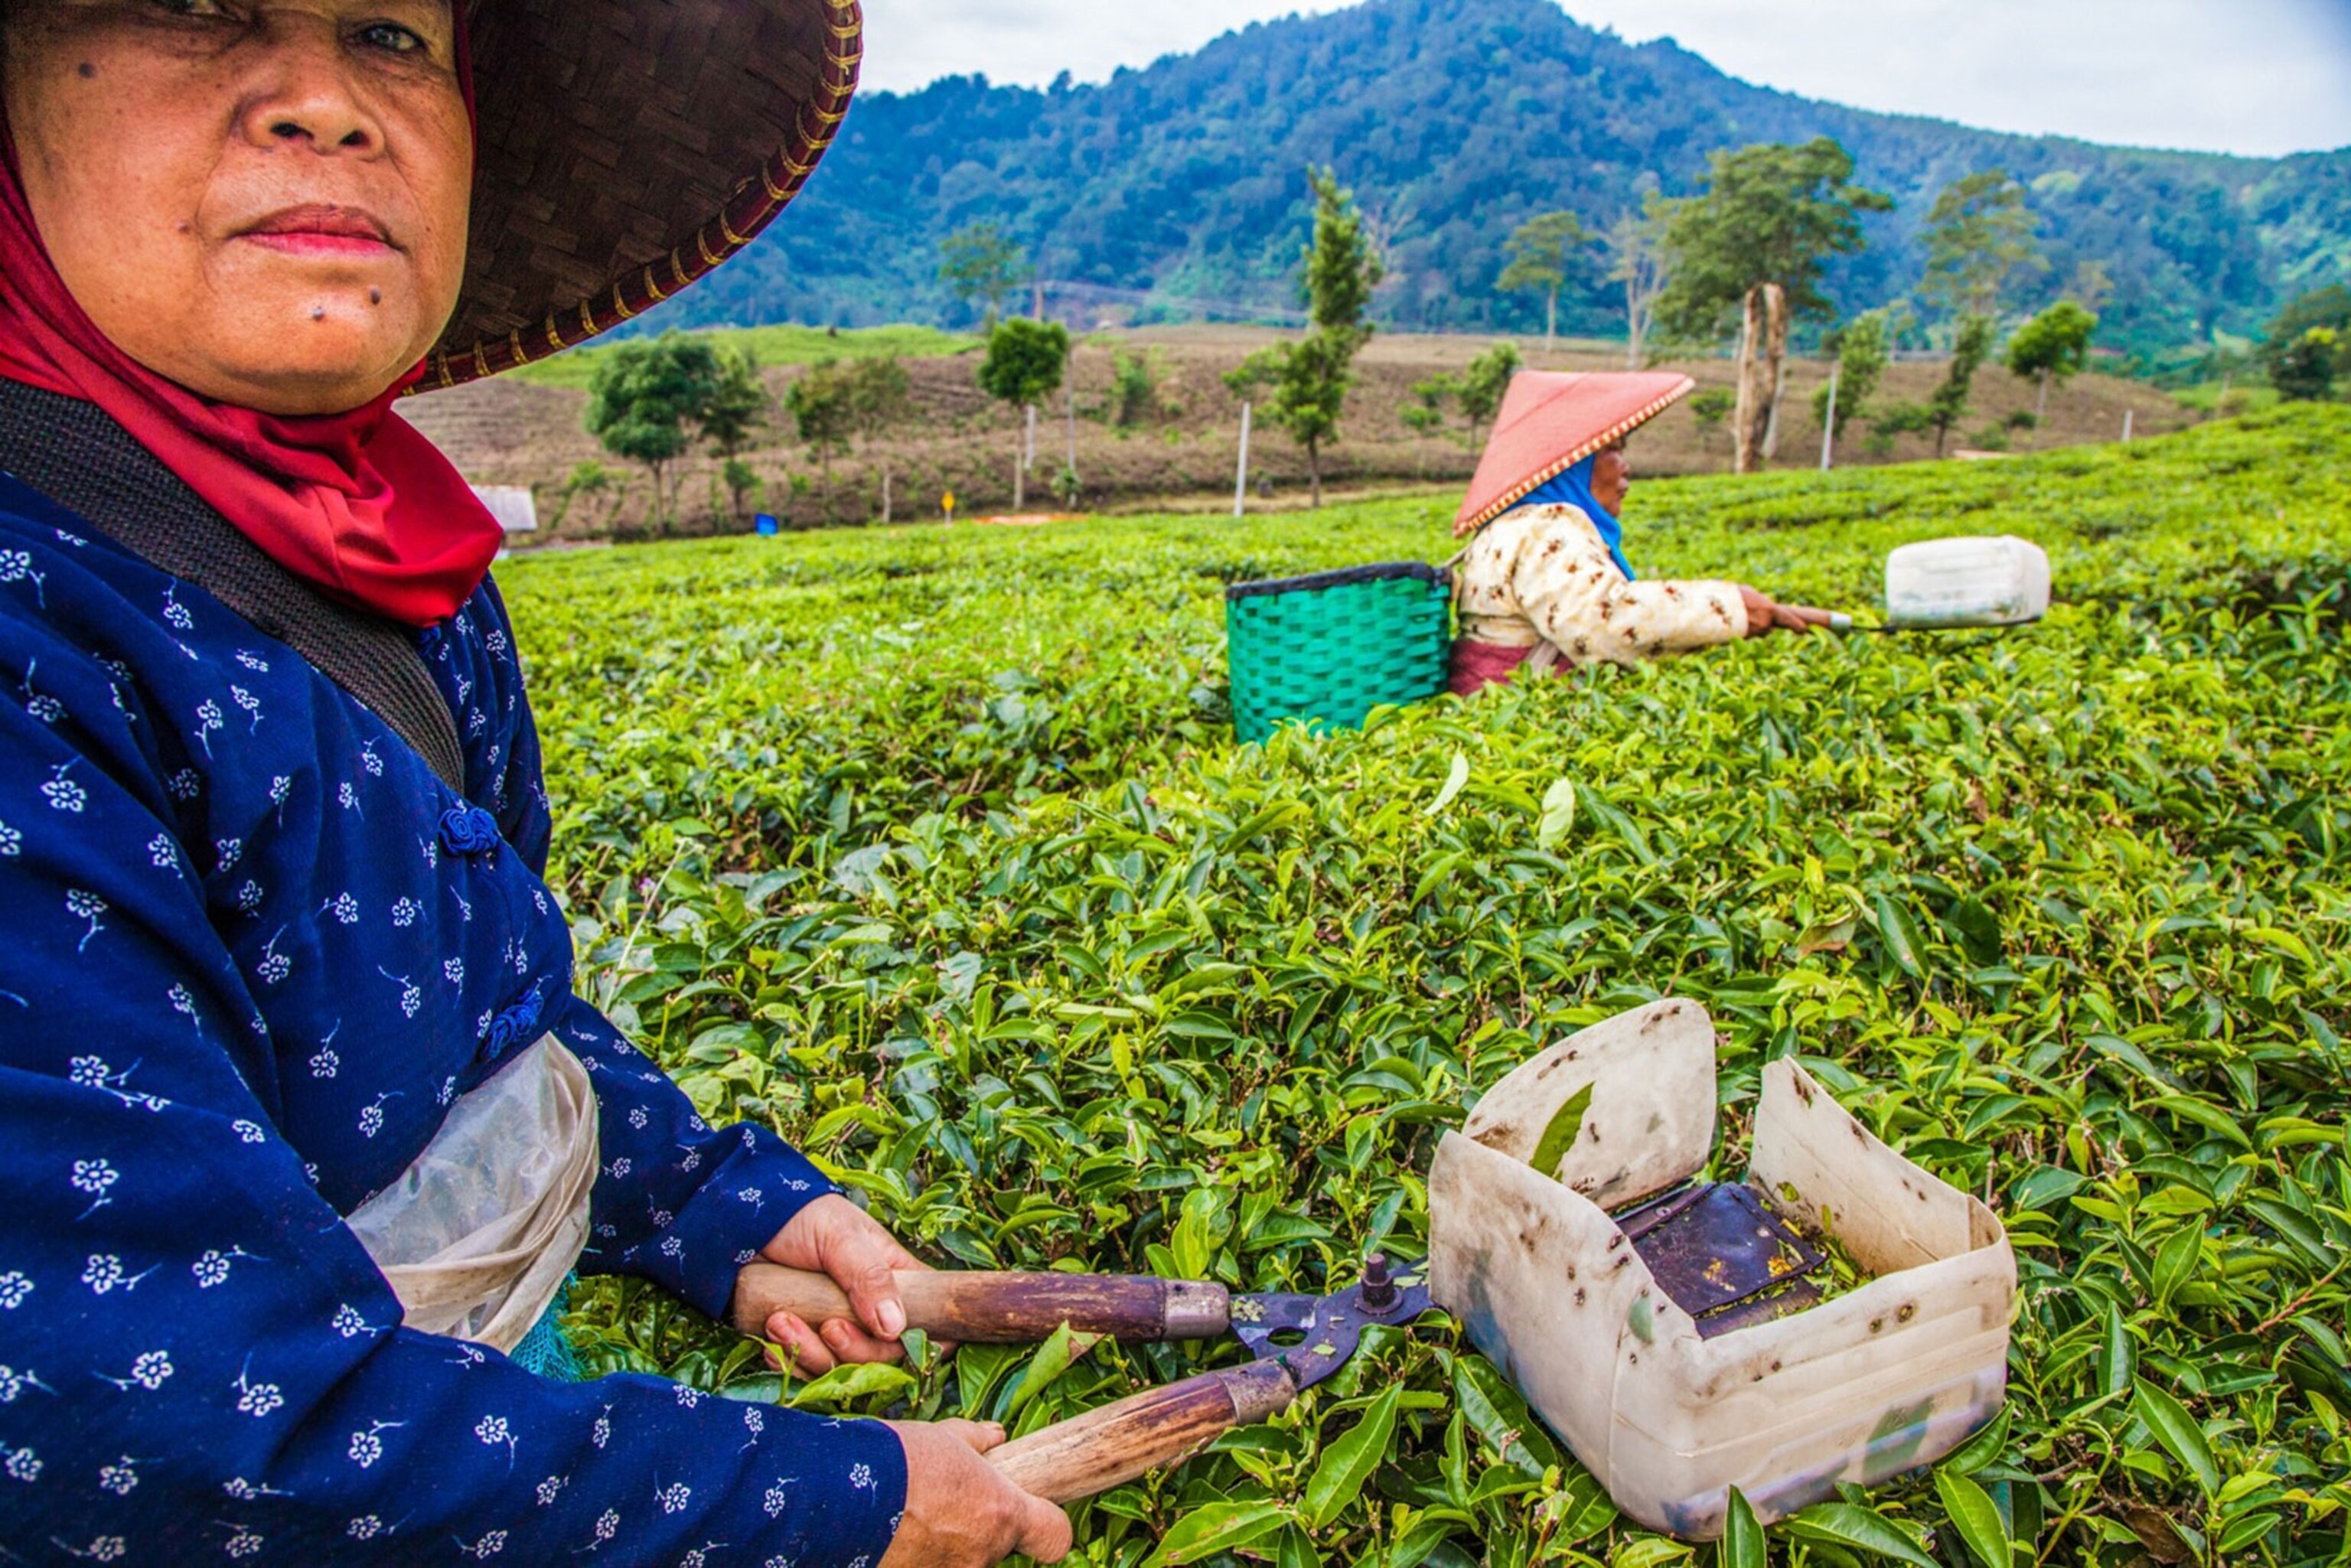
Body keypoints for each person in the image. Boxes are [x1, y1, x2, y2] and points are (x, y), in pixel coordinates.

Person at [0, 2, 1068, 1563]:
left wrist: (721, 1210)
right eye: (197, 5)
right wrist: (831, 1500)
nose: (322, 103)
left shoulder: (403, 568)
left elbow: (491, 1020)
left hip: (481, 1431)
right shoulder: (32, 630)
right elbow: (164, 1420)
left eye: (390, 32)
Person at [1449, 371, 1834, 695]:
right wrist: (1733, 608)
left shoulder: (1507, 528)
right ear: (1573, 465)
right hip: (1523, 722)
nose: (1626, 466)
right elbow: (1606, 625)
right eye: (1613, 450)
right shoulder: (1544, 530)